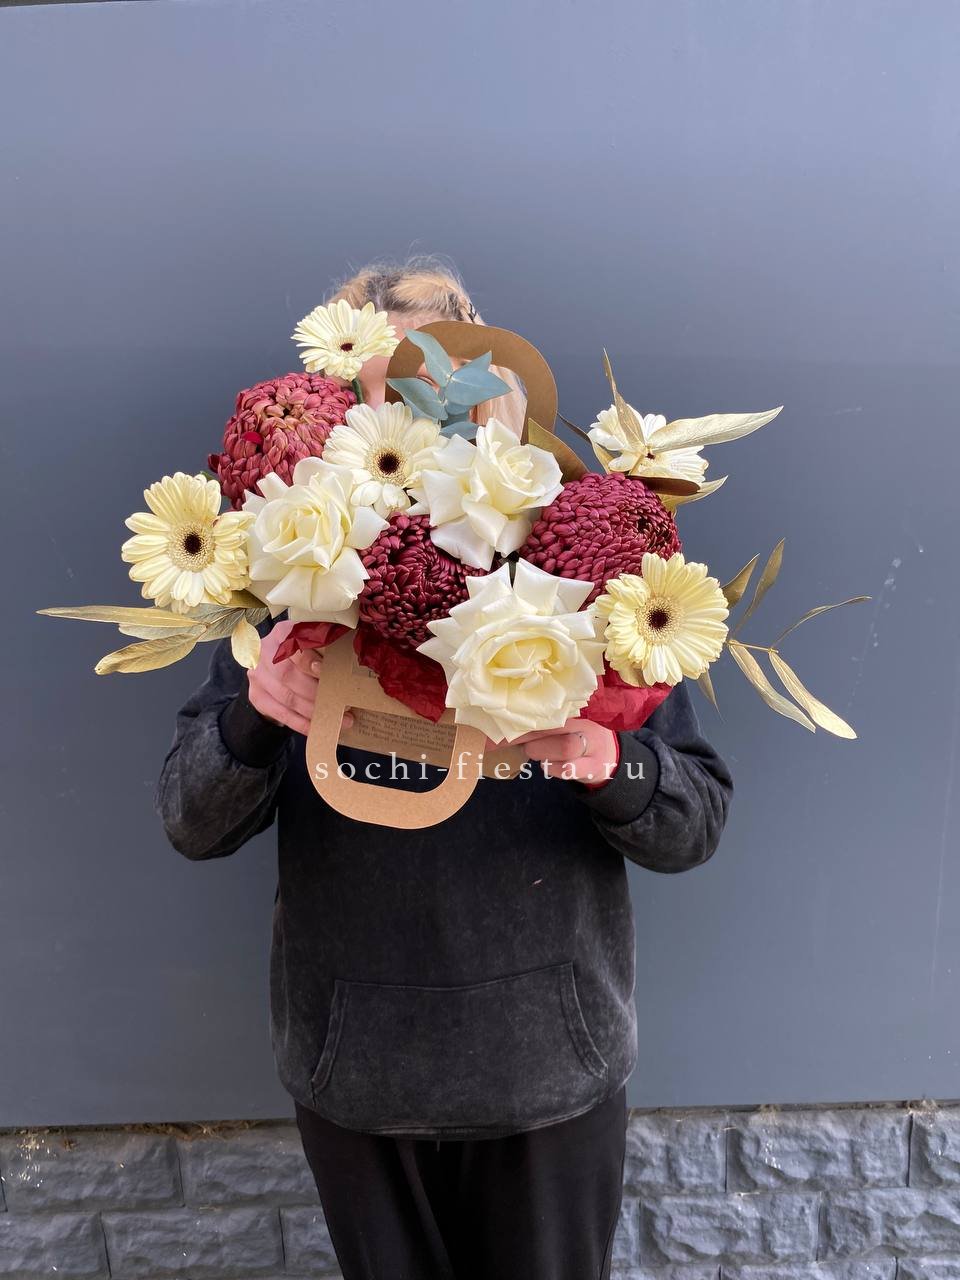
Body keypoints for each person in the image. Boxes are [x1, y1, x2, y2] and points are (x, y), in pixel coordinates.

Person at [155, 254, 734, 1280]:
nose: (432, 414)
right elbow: (190, 817)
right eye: (397, 392)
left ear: (499, 394)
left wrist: (614, 761)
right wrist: (255, 715)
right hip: (357, 1076)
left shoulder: (596, 583)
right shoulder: (293, 586)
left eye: (453, 380)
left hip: (550, 1071)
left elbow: (694, 819)